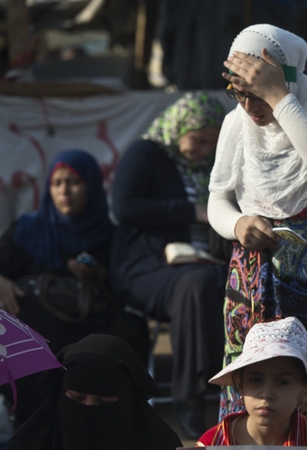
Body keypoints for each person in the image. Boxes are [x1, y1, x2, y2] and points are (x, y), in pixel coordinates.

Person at [207, 24, 307, 448]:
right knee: (254, 387)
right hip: (254, 282)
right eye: (238, 93)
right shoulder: (236, 124)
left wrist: (280, 97)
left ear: (287, 77)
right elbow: (217, 201)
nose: (249, 105)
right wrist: (238, 224)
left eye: (256, 92)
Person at [110, 92, 228, 439]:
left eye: (211, 143)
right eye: (198, 139)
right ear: (179, 129)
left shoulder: (211, 167)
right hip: (146, 267)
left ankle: (238, 390)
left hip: (204, 264)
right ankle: (189, 397)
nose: (203, 149)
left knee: (226, 280)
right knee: (197, 284)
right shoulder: (146, 153)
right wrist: (193, 212)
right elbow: (125, 207)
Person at [0, 149, 147, 423]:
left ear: (91, 186)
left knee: (131, 331)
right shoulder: (30, 229)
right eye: (57, 183)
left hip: (92, 318)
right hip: (40, 318)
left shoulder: (109, 234)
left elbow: (125, 285)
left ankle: (113, 418)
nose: (65, 191)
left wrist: (98, 274)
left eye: (74, 182)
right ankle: (34, 420)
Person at [7, 334, 182, 450]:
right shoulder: (27, 444)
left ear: (129, 401)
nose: (88, 409)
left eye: (104, 401)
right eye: (77, 398)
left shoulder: (162, 445)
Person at [196, 317, 307, 447]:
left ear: (305, 391)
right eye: (255, 380)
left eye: (282, 382)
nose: (266, 394)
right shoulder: (211, 443)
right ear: (240, 385)